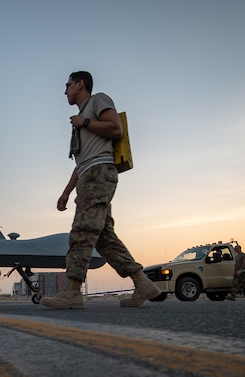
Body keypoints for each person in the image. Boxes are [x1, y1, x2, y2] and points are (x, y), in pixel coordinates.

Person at [40, 71, 161, 309]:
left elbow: (116, 130)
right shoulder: (80, 117)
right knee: (104, 239)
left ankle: (72, 292)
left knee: (82, 231)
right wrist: (66, 192)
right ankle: (143, 283)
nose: (65, 91)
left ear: (80, 84)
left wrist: (85, 122)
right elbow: (82, 162)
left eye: (68, 85)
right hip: (89, 175)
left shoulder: (98, 101)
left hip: (99, 175)